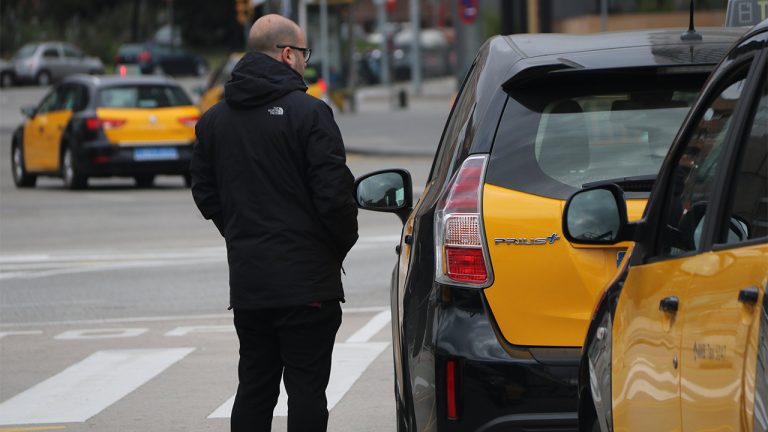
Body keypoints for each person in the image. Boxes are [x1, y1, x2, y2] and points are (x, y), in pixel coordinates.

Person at [190, 14, 358, 432]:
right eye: (304, 54)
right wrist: (333, 247)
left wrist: (242, 233)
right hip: (307, 285)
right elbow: (336, 197)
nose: (305, 61)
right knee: (306, 391)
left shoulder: (213, 121)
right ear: (287, 54)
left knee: (254, 387)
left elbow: (205, 194)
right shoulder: (311, 114)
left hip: (251, 283)